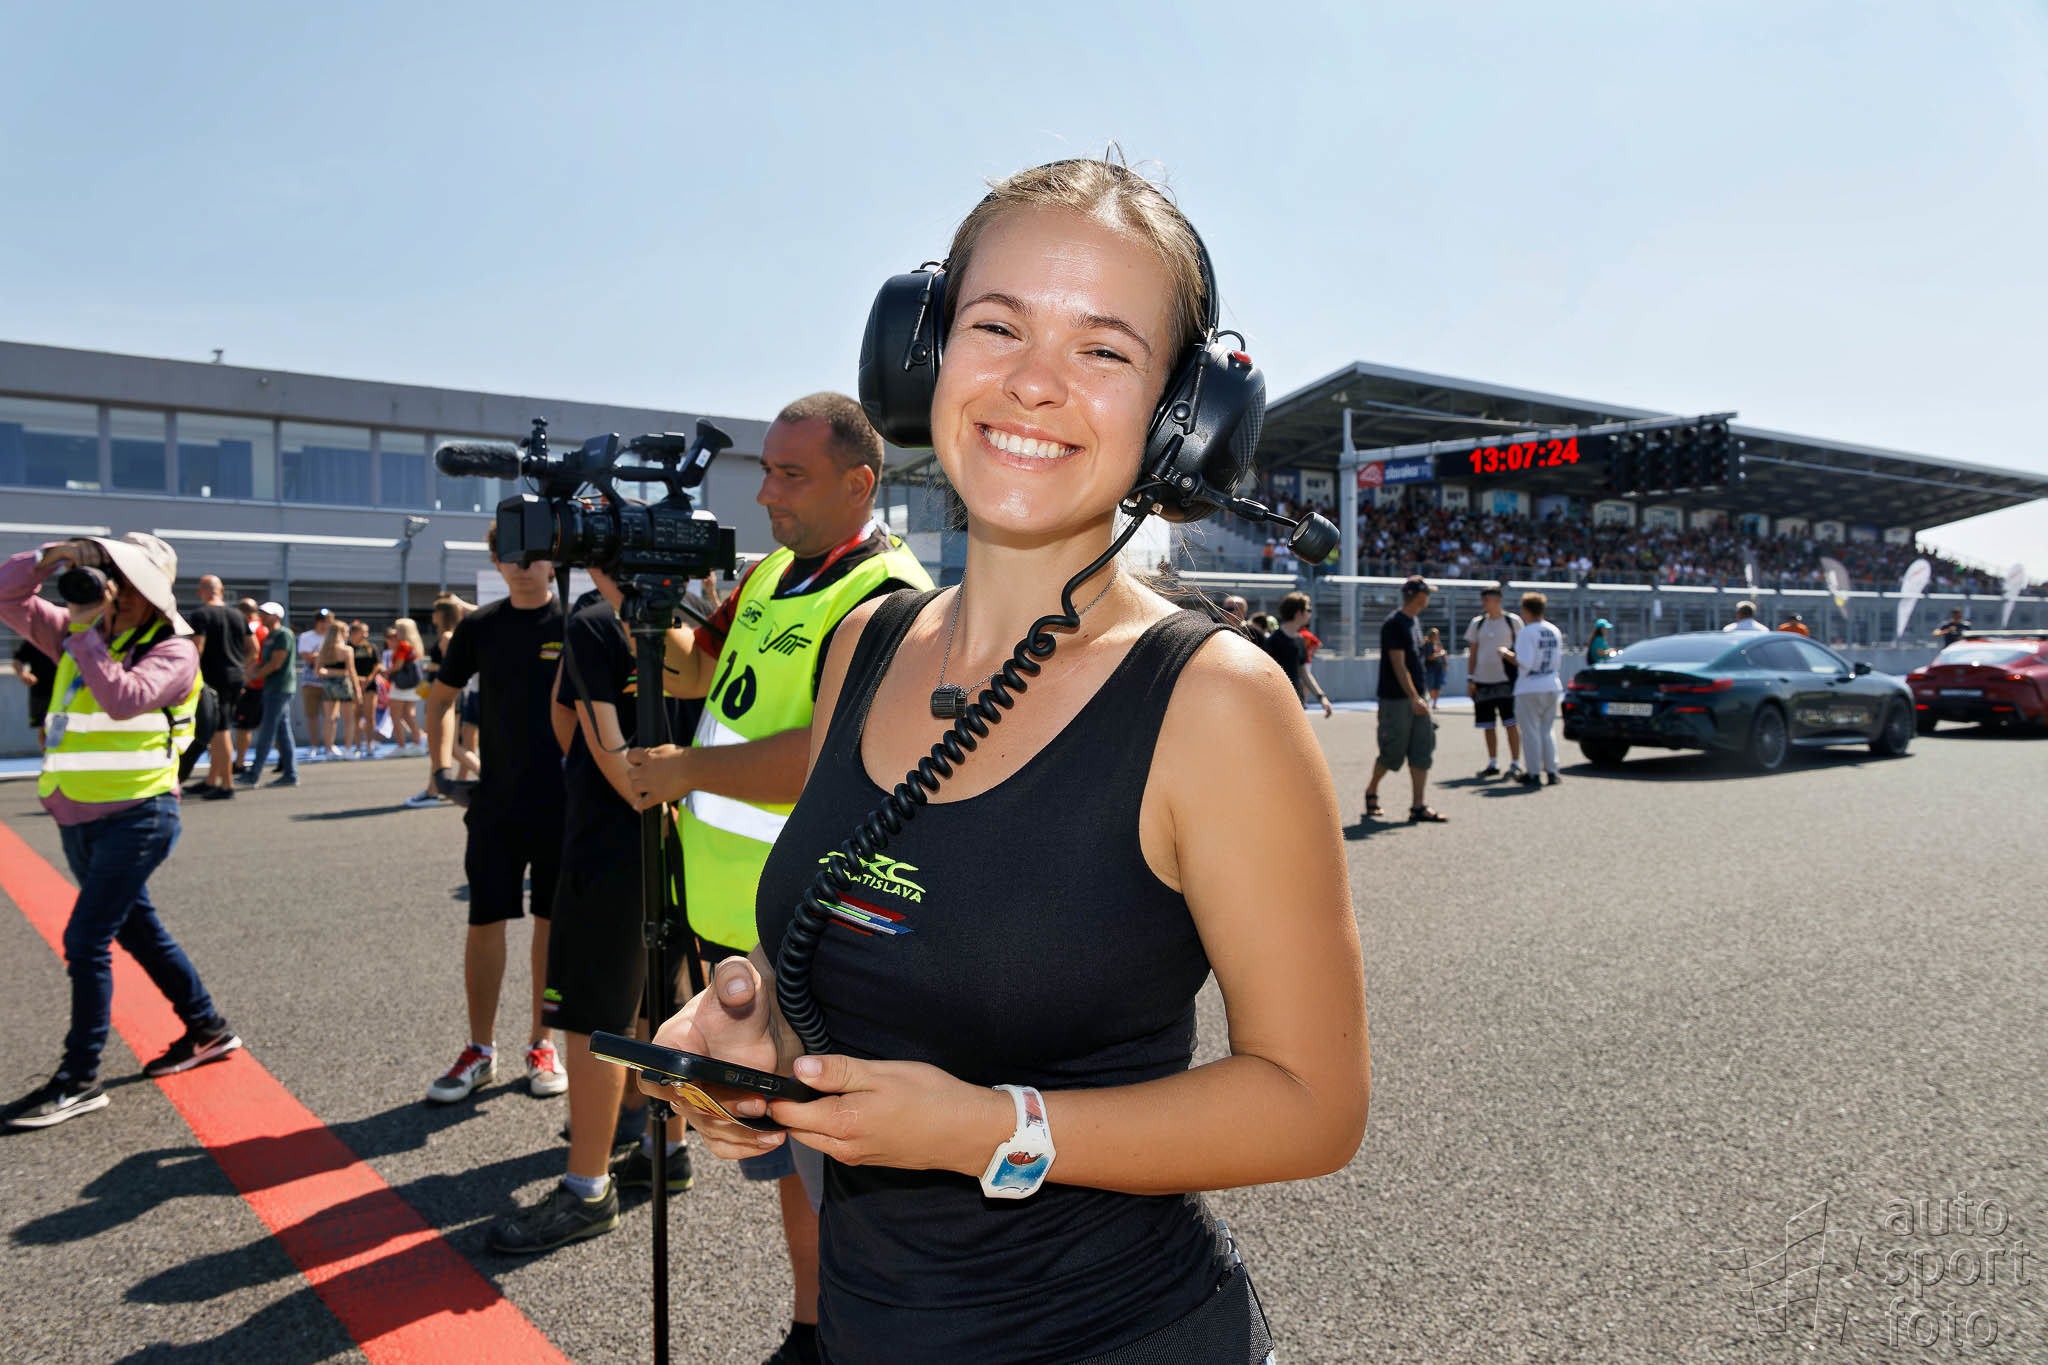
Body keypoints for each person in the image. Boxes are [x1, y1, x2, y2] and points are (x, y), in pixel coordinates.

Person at [638, 160, 1368, 1363]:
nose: (1033, 380)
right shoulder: (863, 646)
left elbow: (1311, 1106)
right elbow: (857, 935)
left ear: (1180, 421)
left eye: (1103, 349)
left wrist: (991, 1129)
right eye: (995, 326)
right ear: (919, 358)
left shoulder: (1212, 702)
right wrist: (755, 1022)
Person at [625, 391, 932, 1363]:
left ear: (860, 482)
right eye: (764, 470)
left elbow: (835, 755)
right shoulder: (768, 575)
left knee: (838, 1167)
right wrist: (629, 586)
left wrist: (684, 771)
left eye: (790, 475)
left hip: (818, 934)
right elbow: (698, 674)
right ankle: (811, 1328)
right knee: (790, 1164)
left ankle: (847, 1337)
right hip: (736, 923)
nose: (765, 493)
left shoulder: (886, 595)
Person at [0, 534, 241, 1130]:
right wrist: (52, 558)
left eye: (135, 582)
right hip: (78, 815)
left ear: (158, 593)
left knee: (86, 941)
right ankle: (208, 1029)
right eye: (114, 578)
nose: (121, 592)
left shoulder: (173, 649)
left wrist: (84, 631)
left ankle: (79, 1079)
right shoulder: (78, 631)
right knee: (139, 930)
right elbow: (5, 595)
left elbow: (123, 698)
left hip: (140, 815)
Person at [485, 566, 691, 1253]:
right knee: (663, 997)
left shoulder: (594, 621)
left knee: (595, 1014)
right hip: (691, 833)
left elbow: (576, 725)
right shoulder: (695, 613)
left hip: (612, 839)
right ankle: (668, 1147)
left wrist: (633, 793)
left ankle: (587, 1187)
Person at [422, 525, 568, 1104]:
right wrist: (441, 767)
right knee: (484, 921)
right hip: (496, 803)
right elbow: (441, 699)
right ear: (495, 561)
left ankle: (543, 1042)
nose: (522, 562)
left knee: (552, 926)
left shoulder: (576, 624)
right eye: (511, 552)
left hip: (564, 805)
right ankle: (480, 1049)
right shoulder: (479, 627)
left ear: (553, 559)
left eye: (534, 552)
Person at [1365, 576, 1444, 822]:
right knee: (1392, 752)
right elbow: (1398, 664)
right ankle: (1371, 791)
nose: (1428, 597)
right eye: (1427, 593)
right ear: (1419, 596)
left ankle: (1418, 806)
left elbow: (1412, 660)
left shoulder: (1414, 621)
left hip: (1417, 696)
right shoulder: (1395, 623)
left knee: (1422, 751)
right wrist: (1413, 697)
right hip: (1398, 699)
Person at [183, 574, 255, 801]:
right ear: (221, 591)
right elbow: (253, 648)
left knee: (219, 731)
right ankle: (212, 780)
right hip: (235, 678)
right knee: (219, 728)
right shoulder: (238, 615)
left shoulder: (200, 614)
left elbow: (197, 648)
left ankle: (227, 784)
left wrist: (188, 677)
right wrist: (243, 669)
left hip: (212, 680)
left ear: (200, 592)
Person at [1503, 591, 1564, 787]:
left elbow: (1525, 662)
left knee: (1530, 731)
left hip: (1530, 686)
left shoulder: (1527, 632)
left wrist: (1505, 654)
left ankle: (1533, 772)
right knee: (1547, 730)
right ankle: (1552, 771)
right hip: (1551, 682)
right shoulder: (1554, 630)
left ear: (1526, 610)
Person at [1464, 585, 1524, 781]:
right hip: (1483, 681)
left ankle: (1515, 763)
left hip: (1506, 680)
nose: (1484, 603)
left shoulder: (1512, 621)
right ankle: (1492, 762)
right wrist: (1471, 678)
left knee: (1511, 723)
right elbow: (1473, 653)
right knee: (1487, 725)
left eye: (1487, 600)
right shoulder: (1477, 623)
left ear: (1498, 600)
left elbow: (1523, 648)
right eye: (1482, 600)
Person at [239, 603, 301, 788]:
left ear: (276, 616)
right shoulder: (270, 636)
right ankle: (290, 774)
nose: (262, 616)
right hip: (272, 688)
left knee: (267, 732)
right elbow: (263, 661)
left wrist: (254, 675)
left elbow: (276, 663)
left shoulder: (283, 635)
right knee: (283, 733)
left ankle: (254, 774)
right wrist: (249, 672)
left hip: (280, 688)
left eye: (266, 613)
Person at [1257, 591, 1332, 718]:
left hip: (1297, 701)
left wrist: (1321, 697)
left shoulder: (1299, 639)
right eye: (1308, 610)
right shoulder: (1273, 640)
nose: (1310, 614)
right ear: (1299, 613)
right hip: (1277, 704)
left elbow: (1304, 672)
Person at [231, 598, 268, 774]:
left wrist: (243, 675)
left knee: (243, 725)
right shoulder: (265, 627)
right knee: (269, 723)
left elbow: (253, 652)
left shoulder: (249, 627)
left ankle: (239, 763)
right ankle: (284, 760)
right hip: (266, 682)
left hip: (252, 683)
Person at [314, 618, 356, 759]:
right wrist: (357, 690)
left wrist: (330, 672)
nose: (348, 634)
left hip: (328, 685)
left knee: (329, 718)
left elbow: (318, 671)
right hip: (343, 684)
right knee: (348, 719)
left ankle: (329, 749)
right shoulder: (347, 650)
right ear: (341, 633)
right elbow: (351, 672)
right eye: (346, 632)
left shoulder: (324, 650)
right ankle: (348, 749)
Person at [386, 619, 426, 751]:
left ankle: (401, 746)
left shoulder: (403, 645)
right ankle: (417, 743)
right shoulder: (415, 644)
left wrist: (386, 672)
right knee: (408, 715)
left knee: (395, 715)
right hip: (412, 685)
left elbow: (398, 665)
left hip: (401, 685)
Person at [297, 608, 332, 755]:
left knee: (330, 716)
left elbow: (337, 658)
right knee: (312, 716)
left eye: (327, 621)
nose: (324, 624)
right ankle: (314, 745)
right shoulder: (306, 637)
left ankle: (329, 746)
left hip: (330, 682)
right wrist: (324, 656)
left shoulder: (333, 637)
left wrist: (318, 656)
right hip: (310, 682)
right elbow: (307, 657)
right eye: (322, 621)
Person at [12, 636, 56, 749]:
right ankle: (46, 757)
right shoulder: (34, 639)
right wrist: (23, 674)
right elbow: (17, 661)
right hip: (40, 692)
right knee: (43, 727)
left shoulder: (65, 637)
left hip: (65, 692)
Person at [348, 620, 382, 758]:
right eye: (362, 632)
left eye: (366, 632)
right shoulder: (347, 647)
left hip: (369, 686)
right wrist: (357, 679)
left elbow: (377, 664)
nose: (365, 635)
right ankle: (357, 746)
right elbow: (346, 667)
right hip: (352, 685)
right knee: (356, 716)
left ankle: (369, 744)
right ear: (354, 633)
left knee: (369, 716)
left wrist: (369, 678)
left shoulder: (371, 647)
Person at [1420, 626, 1447, 708]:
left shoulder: (1438, 644)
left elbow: (1443, 655)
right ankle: (1429, 700)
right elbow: (1429, 657)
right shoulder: (1427, 644)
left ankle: (1435, 703)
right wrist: (1440, 654)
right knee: (1430, 686)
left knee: (1437, 686)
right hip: (1430, 668)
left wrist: (1445, 664)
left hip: (1439, 668)